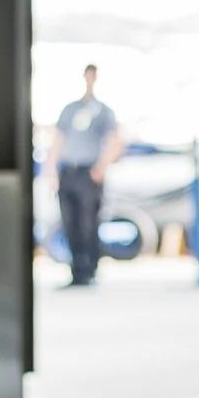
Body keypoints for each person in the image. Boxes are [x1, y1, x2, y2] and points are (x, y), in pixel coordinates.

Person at [53, 65, 123, 287]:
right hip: (68, 172)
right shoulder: (70, 109)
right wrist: (51, 171)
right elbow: (58, 140)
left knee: (87, 224)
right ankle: (76, 271)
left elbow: (115, 141)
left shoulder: (104, 111)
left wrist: (100, 168)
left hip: (88, 173)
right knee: (70, 223)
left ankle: (89, 269)